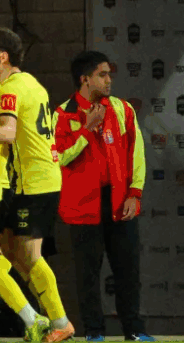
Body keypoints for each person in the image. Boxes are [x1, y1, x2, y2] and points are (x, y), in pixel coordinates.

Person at [0, 28, 71, 343]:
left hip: (33, 184)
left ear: (3, 56)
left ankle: (60, 322)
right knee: (5, 255)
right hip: (38, 180)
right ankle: (36, 319)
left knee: (27, 257)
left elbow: (6, 134)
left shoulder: (10, 90)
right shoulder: (32, 84)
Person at [54, 51, 152, 343]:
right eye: (102, 74)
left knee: (128, 271)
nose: (109, 80)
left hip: (119, 201)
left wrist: (135, 193)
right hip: (83, 206)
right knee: (87, 276)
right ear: (85, 79)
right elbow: (58, 158)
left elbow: (136, 152)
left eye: (109, 74)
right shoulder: (63, 113)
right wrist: (87, 130)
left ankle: (134, 330)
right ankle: (94, 332)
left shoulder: (122, 109)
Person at [0, 36, 50, 343]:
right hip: (3, 184)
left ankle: (38, 318)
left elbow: (8, 133)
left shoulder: (1, 90)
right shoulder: (3, 88)